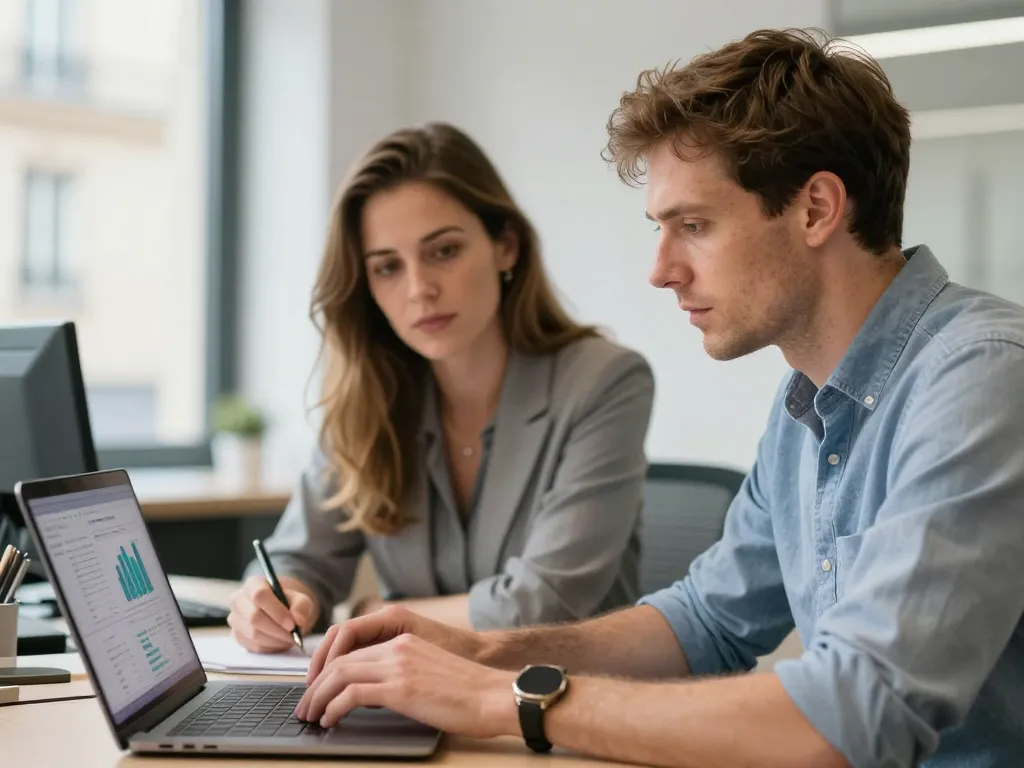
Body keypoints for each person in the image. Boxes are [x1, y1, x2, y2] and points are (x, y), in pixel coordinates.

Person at [291, 28, 1024, 768]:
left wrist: (501, 698)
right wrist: (486, 650)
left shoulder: (981, 378)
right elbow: (706, 622)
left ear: (816, 209)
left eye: (694, 227)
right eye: (660, 229)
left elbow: (850, 714)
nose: (661, 269)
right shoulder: (806, 403)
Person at [227, 123, 655, 653]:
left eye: (444, 251)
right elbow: (299, 560)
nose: (419, 289)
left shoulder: (604, 381)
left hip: (562, 707)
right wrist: (275, 600)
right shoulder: (369, 397)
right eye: (387, 267)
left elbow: (544, 603)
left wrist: (371, 614)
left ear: (506, 247)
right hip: (414, 706)